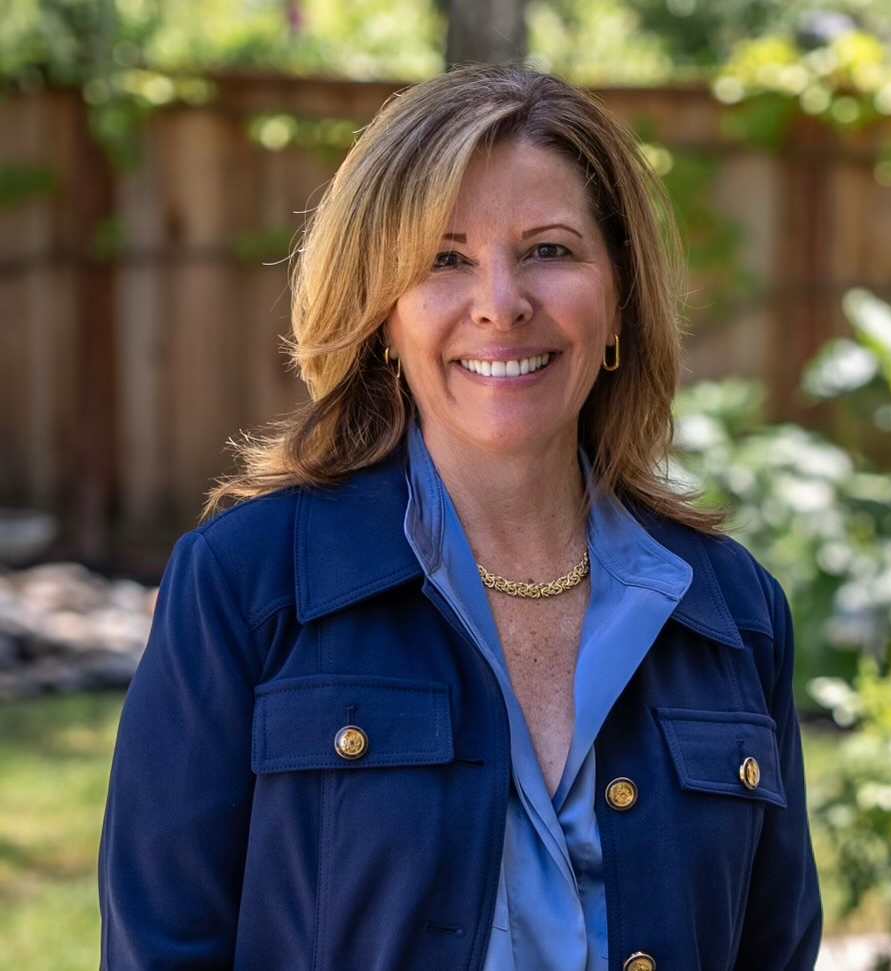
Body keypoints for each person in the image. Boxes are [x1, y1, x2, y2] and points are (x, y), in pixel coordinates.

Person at [98, 63, 822, 971]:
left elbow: (776, 949)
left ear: (619, 302)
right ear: (382, 315)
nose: (500, 304)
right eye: (444, 260)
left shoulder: (732, 612)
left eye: (548, 250)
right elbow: (160, 946)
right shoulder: (248, 584)